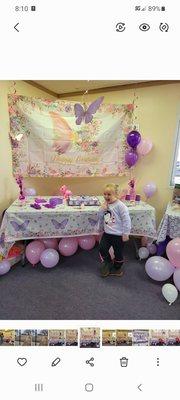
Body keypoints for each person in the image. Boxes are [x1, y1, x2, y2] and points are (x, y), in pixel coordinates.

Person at [99, 183, 131, 277]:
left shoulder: (120, 206)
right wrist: (102, 209)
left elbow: (126, 220)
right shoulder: (105, 204)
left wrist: (126, 233)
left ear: (115, 195)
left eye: (109, 194)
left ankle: (117, 267)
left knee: (118, 252)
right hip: (107, 233)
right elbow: (100, 217)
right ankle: (108, 262)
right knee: (102, 248)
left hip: (118, 235)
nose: (106, 196)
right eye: (104, 194)